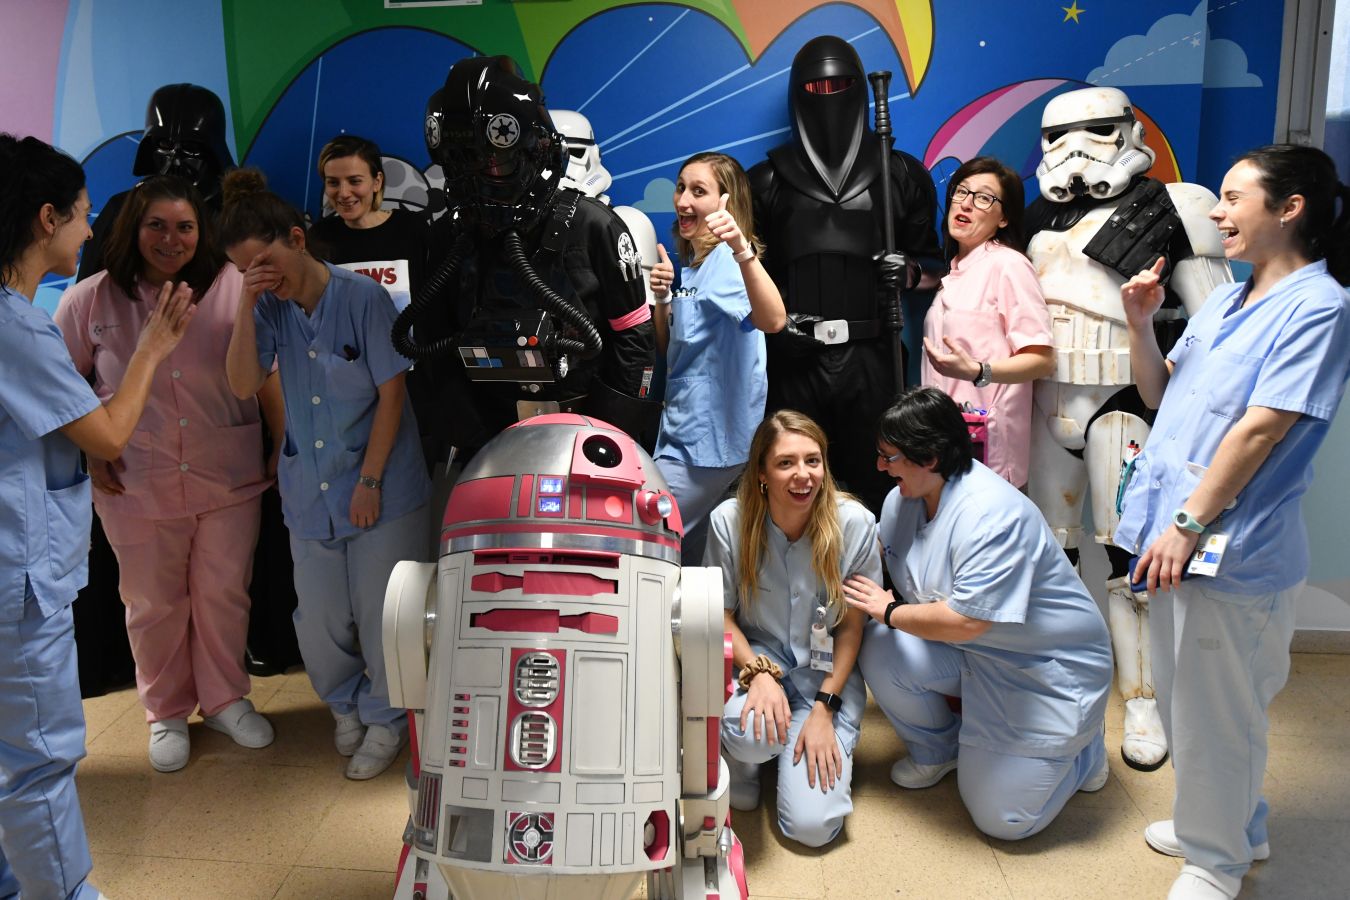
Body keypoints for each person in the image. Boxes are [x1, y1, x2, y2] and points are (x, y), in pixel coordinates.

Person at [1115, 145, 1350, 900]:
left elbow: (1260, 429)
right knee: (1188, 704)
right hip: (1176, 541)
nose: (1218, 212)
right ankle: (1229, 826)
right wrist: (1140, 324)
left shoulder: (1320, 309)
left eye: (1232, 197)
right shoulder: (1224, 298)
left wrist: (1186, 524)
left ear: (1290, 209)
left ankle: (1216, 864)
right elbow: (1161, 396)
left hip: (1232, 548)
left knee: (1223, 714)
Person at [1, 133, 192, 900]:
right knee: (39, 755)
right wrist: (151, 350)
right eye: (82, 217)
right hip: (20, 581)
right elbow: (109, 431)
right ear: (46, 218)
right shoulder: (18, 329)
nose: (89, 233)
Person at [1024, 86, 1233, 772]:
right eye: (1060, 136)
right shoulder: (1038, 218)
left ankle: (1141, 699)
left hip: (1127, 398)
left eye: (1096, 132)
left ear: (1126, 132)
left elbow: (1215, 331)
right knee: (1049, 548)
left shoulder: (1178, 208)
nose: (1076, 149)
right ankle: (1055, 683)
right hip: (1047, 400)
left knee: (1125, 558)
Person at [55, 175, 279, 773]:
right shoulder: (88, 302)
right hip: (134, 479)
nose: (171, 238)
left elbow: (270, 371)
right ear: (132, 229)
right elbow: (65, 390)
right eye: (156, 225)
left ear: (201, 231)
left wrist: (279, 444)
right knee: (152, 602)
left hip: (226, 472)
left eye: (185, 226)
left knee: (223, 594)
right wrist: (93, 450)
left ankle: (227, 698)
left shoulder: (232, 288)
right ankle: (166, 711)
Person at [221, 168, 432, 780]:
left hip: (381, 484)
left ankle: (387, 719)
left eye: (265, 262)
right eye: (244, 270)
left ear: (297, 237)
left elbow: (392, 395)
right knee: (318, 617)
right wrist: (244, 301)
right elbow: (240, 383)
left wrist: (369, 481)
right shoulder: (268, 310)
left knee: (380, 611)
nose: (262, 278)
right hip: (309, 486)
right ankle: (343, 706)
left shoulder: (361, 296)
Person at [848, 387, 1112, 841]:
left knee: (1003, 819)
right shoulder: (902, 502)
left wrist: (890, 611)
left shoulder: (991, 516)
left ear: (929, 458)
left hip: (1047, 668)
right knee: (882, 649)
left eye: (889, 457)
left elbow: (969, 621)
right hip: (977, 654)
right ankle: (938, 750)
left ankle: (1085, 746)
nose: (879, 467)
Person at [750, 35, 942, 513]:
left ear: (859, 89)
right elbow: (741, 277)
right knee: (794, 485)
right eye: (817, 86)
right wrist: (777, 334)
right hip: (795, 358)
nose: (829, 94)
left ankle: (875, 583)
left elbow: (939, 271)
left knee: (879, 477)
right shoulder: (767, 182)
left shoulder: (898, 174)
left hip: (873, 357)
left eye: (839, 84)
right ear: (799, 93)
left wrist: (910, 273)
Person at [707, 410, 876, 848]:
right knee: (751, 735)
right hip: (759, 664)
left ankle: (791, 743)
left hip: (825, 678)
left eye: (813, 461)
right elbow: (721, 614)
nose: (803, 475)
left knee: (812, 829)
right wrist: (758, 671)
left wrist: (824, 709)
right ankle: (748, 760)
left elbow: (853, 626)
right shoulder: (730, 520)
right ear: (762, 472)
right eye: (786, 463)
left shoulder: (854, 523)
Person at [649, 152, 786, 564]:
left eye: (698, 191)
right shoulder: (693, 269)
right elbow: (668, 351)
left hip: (707, 446)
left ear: (728, 202)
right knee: (686, 561)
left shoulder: (727, 262)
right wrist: (661, 300)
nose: (683, 200)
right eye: (680, 187)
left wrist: (741, 248)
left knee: (647, 533)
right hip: (682, 435)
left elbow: (774, 320)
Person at [920, 156, 1053, 488]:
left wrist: (980, 371)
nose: (966, 203)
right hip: (941, 441)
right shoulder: (953, 271)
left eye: (983, 198)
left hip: (988, 449)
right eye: (961, 191)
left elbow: (1041, 359)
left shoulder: (1008, 266)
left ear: (1004, 218)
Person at [309, 134, 429, 313]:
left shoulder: (411, 228)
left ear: (377, 182)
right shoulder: (319, 236)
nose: (343, 193)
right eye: (333, 182)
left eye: (354, 181)